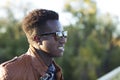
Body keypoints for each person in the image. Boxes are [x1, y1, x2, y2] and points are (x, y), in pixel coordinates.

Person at [0, 9, 67, 80]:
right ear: (37, 39)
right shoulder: (10, 73)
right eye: (57, 35)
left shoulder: (55, 71)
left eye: (63, 34)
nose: (63, 40)